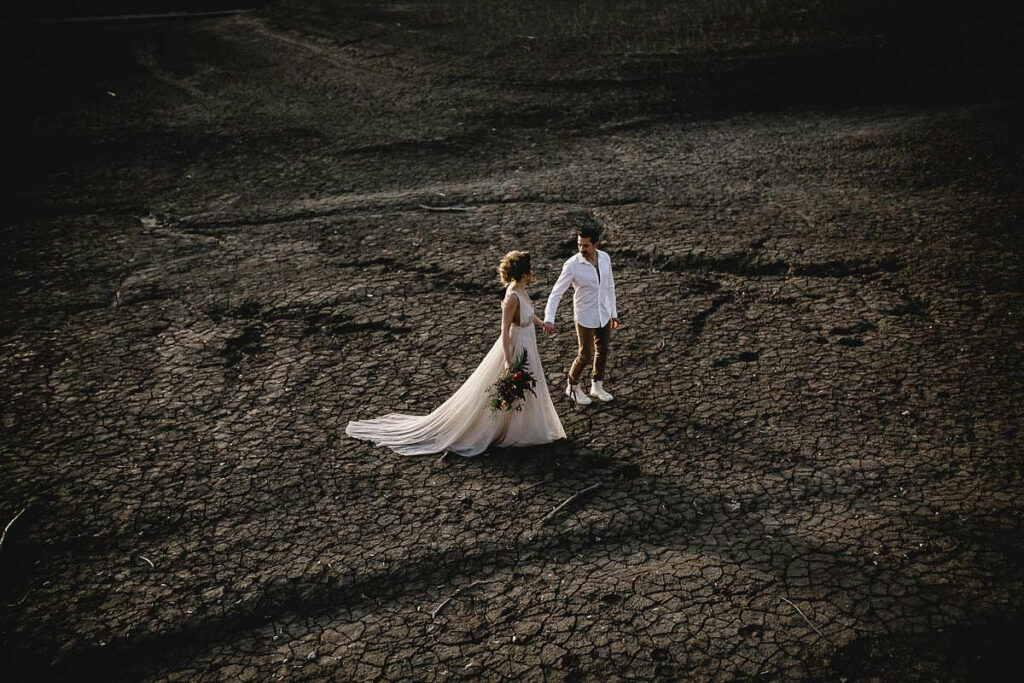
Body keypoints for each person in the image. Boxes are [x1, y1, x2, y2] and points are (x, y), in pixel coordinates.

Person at [346, 251, 565, 456]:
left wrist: (541, 323)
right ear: (524, 272)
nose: (533, 272)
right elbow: (505, 330)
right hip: (518, 345)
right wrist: (508, 361)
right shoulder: (512, 297)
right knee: (513, 388)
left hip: (529, 342)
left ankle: (524, 428)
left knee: (529, 386)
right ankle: (510, 431)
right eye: (530, 269)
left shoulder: (522, 290)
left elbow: (526, 316)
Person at [542, 225, 619, 405]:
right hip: (585, 316)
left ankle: (597, 386)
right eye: (579, 245)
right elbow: (556, 293)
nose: (581, 249)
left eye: (585, 245)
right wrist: (549, 319)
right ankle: (572, 386)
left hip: (604, 314)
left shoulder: (605, 258)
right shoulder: (572, 265)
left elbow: (609, 287)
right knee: (585, 355)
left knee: (603, 350)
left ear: (595, 244)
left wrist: (613, 313)